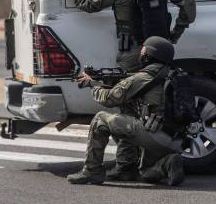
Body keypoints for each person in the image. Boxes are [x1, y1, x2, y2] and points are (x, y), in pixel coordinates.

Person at [58, 0, 196, 181]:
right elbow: (188, 3)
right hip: (158, 53)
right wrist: (175, 33)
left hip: (132, 55)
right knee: (150, 105)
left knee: (126, 107)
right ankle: (143, 164)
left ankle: (125, 166)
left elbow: (88, 4)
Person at [67, 36, 185, 186]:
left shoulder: (144, 77)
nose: (140, 54)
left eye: (143, 51)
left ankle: (92, 171)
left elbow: (108, 99)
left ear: (150, 55)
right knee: (146, 172)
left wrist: (92, 84)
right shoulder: (174, 75)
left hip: (154, 136)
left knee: (100, 119)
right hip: (175, 141)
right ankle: (168, 163)